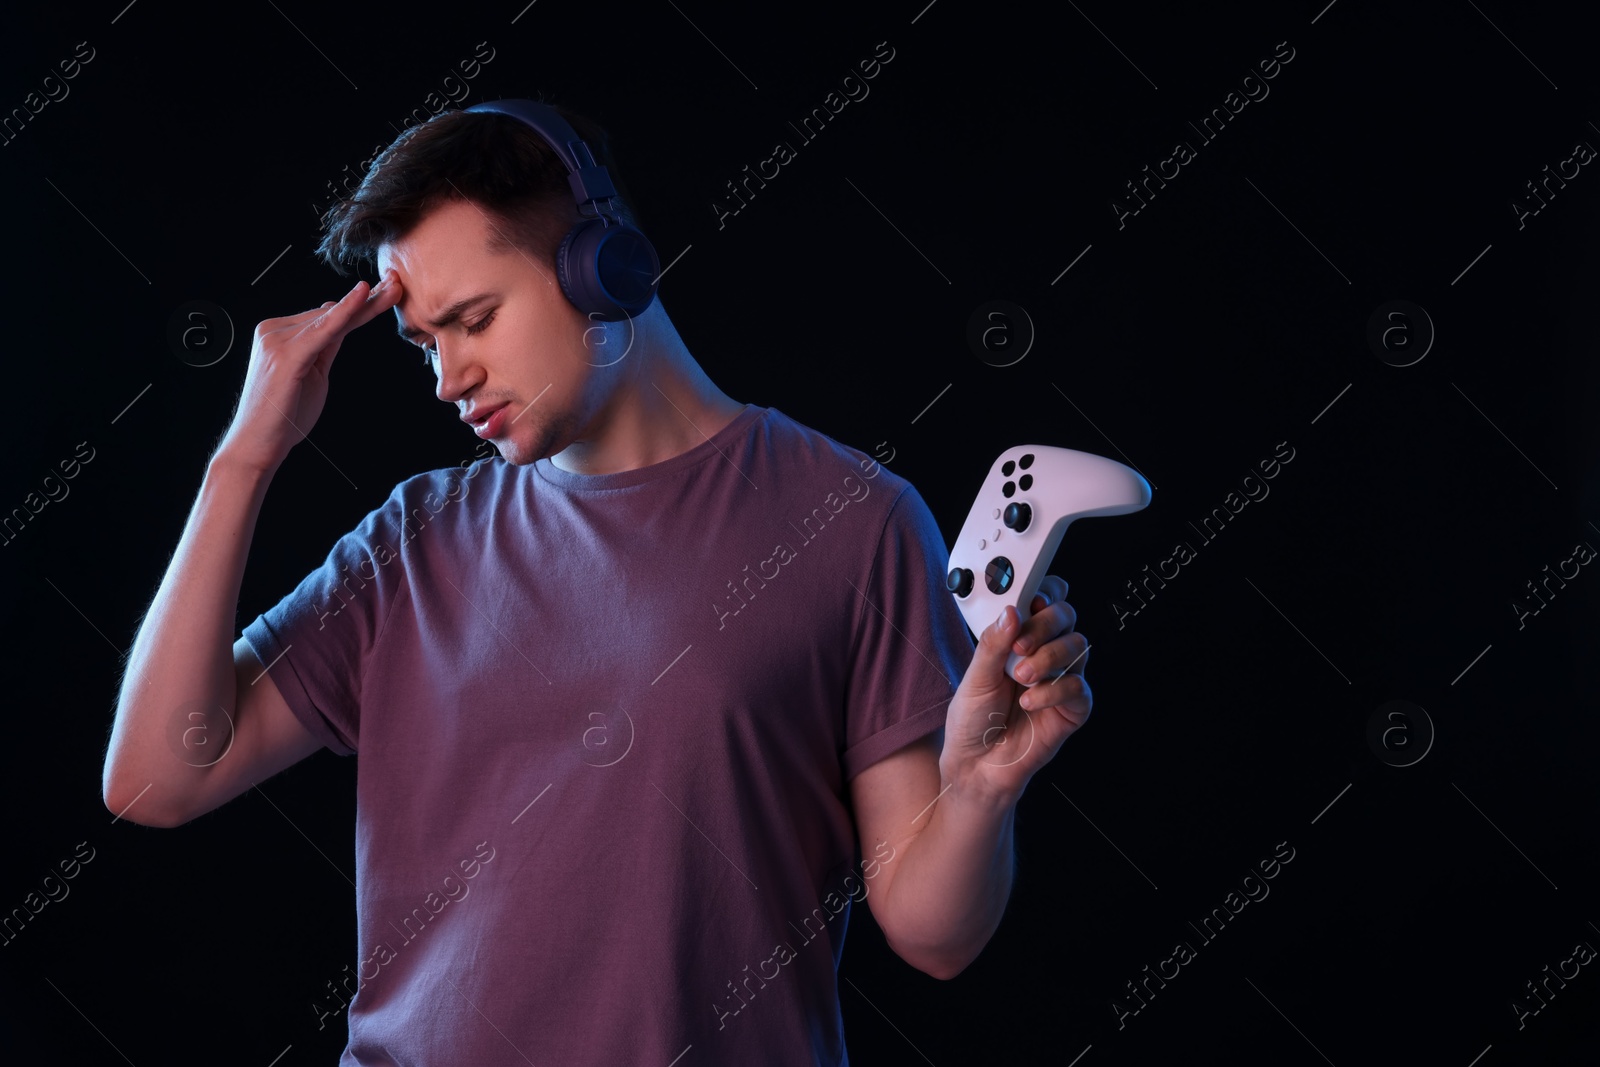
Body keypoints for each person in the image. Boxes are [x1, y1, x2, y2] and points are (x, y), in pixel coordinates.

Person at [101, 100, 1094, 1065]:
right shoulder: (414, 540)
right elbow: (154, 778)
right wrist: (242, 459)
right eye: (424, 343)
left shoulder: (853, 516)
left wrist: (975, 793)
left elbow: (933, 932)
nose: (447, 376)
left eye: (474, 319)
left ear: (602, 267)